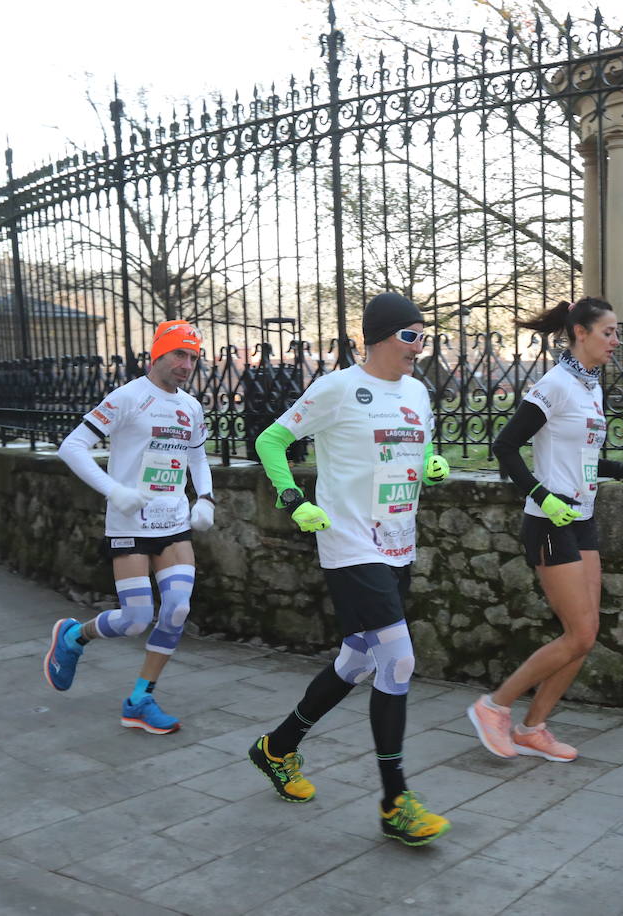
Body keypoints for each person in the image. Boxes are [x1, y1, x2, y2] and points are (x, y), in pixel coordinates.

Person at [246, 291, 452, 847]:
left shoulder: (417, 392)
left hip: (398, 545)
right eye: (411, 336)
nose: (419, 346)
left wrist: (432, 465)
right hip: (348, 542)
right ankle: (395, 801)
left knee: (357, 659)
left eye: (423, 336)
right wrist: (293, 498)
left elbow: (422, 449)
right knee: (398, 660)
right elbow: (272, 439)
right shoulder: (337, 389)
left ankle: (277, 746)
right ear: (381, 337)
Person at [467, 297, 623, 762]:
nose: (616, 340)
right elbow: (506, 447)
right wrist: (541, 494)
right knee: (577, 634)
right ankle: (494, 707)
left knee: (585, 635)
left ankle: (533, 729)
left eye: (616, 332)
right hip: (549, 521)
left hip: (582, 518)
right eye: (608, 332)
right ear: (580, 333)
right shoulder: (555, 385)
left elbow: (583, 458)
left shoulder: (591, 387)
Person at [45, 320, 215, 735]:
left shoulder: (191, 407)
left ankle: (140, 699)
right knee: (137, 619)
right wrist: (113, 490)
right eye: (179, 354)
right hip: (130, 522)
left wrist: (205, 498)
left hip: (173, 521)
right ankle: (73, 638)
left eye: (193, 357)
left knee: (177, 608)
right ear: (157, 353)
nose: (186, 364)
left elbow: (197, 457)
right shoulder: (128, 397)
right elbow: (73, 447)